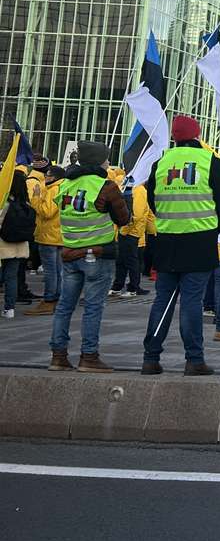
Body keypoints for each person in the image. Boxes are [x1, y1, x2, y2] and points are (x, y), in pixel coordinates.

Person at [142, 115, 220, 376]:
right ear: (198, 135)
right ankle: (194, 360)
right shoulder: (209, 161)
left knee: (163, 301)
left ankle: (150, 358)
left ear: (174, 137)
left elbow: (152, 200)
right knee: (192, 301)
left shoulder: (160, 162)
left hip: (167, 241)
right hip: (200, 241)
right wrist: (213, 227)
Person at [48, 141, 130, 372]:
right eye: (106, 158)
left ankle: (58, 356)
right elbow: (123, 219)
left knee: (64, 307)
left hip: (70, 252)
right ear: (98, 161)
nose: (107, 162)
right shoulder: (105, 186)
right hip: (97, 254)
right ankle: (89, 357)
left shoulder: (65, 184)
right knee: (93, 308)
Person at [22, 165, 64, 316]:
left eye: (48, 175)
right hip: (58, 235)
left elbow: (46, 212)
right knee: (58, 270)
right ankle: (56, 297)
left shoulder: (53, 189)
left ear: (55, 177)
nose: (46, 178)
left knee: (51, 271)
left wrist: (36, 197)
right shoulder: (63, 187)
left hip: (49, 236)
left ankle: (49, 299)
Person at [1, 168, 35, 318]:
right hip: (20, 245)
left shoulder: (5, 203)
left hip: (3, 244)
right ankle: (10, 308)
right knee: (12, 277)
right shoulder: (26, 203)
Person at [112, 181, 155, 298]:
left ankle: (132, 288)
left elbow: (139, 213)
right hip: (128, 231)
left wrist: (125, 229)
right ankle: (118, 286)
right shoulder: (134, 188)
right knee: (123, 261)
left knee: (131, 262)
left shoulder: (137, 189)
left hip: (131, 232)